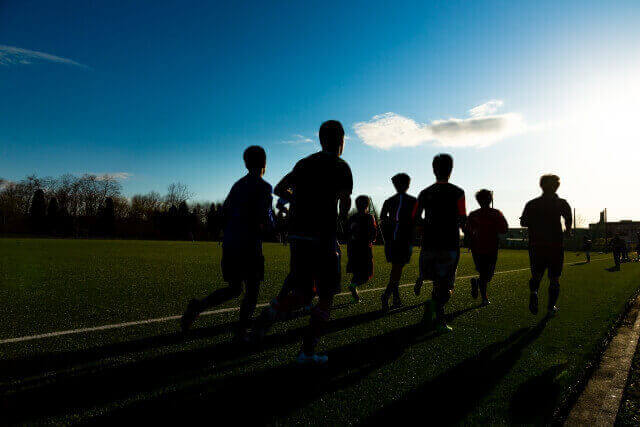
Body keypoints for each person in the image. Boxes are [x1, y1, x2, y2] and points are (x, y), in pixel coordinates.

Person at [254, 120, 352, 365]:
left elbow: (279, 188)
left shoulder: (304, 163)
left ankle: (275, 310)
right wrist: (340, 223)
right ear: (341, 141)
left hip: (297, 236)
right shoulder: (341, 166)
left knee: (305, 293)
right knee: (327, 296)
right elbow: (344, 201)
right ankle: (307, 352)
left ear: (320, 140)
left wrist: (297, 199)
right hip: (323, 236)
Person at [181, 146, 274, 341]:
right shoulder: (264, 187)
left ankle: (199, 305)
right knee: (252, 290)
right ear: (265, 163)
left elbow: (224, 212)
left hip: (231, 243)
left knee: (234, 288)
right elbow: (264, 219)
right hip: (249, 245)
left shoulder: (238, 185)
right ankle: (240, 331)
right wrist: (275, 224)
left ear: (246, 163)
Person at [414, 154, 466, 333]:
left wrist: (425, 231)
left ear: (434, 169)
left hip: (429, 244)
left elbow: (415, 218)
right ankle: (437, 315)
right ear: (451, 170)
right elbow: (463, 219)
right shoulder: (458, 193)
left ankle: (433, 316)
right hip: (450, 244)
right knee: (446, 286)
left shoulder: (424, 193)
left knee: (437, 282)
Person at [520, 174, 572, 318]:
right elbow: (568, 220)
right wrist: (568, 231)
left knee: (536, 275)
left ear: (541, 186)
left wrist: (534, 223)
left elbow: (523, 222)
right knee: (554, 278)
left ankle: (534, 292)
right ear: (557, 186)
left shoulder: (532, 203)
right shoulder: (561, 203)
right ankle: (550, 308)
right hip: (555, 245)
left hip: (536, 244)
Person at [380, 173, 418, 310]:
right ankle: (386, 295)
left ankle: (396, 298)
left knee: (396, 269)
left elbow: (383, 218)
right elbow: (416, 220)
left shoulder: (389, 200)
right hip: (402, 240)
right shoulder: (412, 201)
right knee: (397, 269)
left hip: (393, 240)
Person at [466, 189, 508, 306]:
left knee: (484, 274)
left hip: (478, 248)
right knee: (486, 275)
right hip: (489, 248)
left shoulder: (474, 214)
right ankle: (484, 298)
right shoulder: (495, 213)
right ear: (490, 199)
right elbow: (504, 229)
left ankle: (478, 283)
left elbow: (468, 231)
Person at [346, 196, 377, 303]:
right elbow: (373, 234)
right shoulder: (369, 217)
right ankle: (353, 286)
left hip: (352, 249)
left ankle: (355, 297)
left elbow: (347, 233)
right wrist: (373, 239)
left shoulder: (352, 217)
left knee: (356, 273)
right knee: (367, 275)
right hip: (364, 249)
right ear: (367, 205)